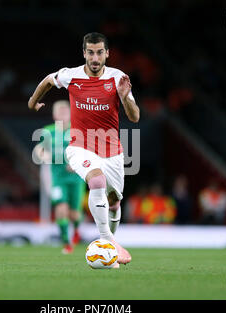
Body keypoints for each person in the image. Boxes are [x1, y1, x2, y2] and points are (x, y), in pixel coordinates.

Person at [28, 32, 140, 267]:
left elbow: (135, 116)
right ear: (84, 53)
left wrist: (125, 97)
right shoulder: (71, 75)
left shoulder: (117, 78)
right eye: (90, 52)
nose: (95, 57)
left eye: (100, 52)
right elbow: (48, 80)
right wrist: (33, 100)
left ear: (107, 53)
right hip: (79, 146)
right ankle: (108, 242)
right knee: (96, 182)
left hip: (112, 151)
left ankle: (110, 244)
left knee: (114, 202)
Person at [34, 100, 86, 254]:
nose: (63, 114)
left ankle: (76, 229)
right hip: (58, 177)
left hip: (76, 178)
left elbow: (87, 152)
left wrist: (78, 163)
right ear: (54, 114)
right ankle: (66, 242)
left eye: (65, 111)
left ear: (70, 114)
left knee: (74, 213)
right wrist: (43, 155)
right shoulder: (48, 131)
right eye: (60, 111)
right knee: (61, 208)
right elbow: (39, 149)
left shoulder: (78, 131)